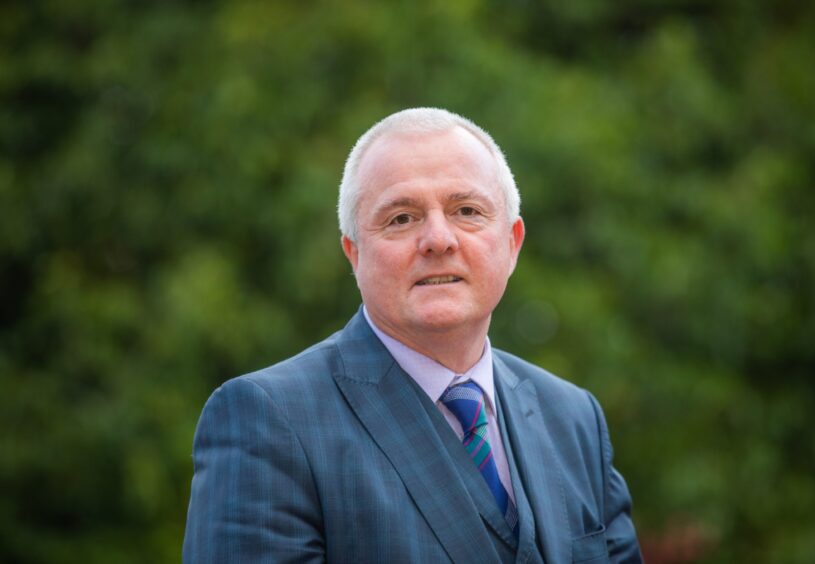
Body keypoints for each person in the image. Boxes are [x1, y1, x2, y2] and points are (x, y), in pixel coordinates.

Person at [183, 108, 642, 563]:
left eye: (467, 210)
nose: (438, 240)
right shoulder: (267, 421)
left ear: (512, 244)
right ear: (353, 253)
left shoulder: (574, 418)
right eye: (402, 218)